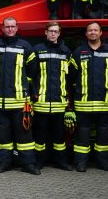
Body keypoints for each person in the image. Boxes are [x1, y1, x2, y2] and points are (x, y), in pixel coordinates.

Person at [0, 17, 38, 174]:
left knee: (25, 136)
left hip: (19, 101)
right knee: (3, 137)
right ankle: (4, 163)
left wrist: (23, 85)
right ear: (2, 29)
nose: (10, 29)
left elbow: (32, 71)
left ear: (17, 28)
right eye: (7, 27)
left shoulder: (25, 46)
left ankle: (28, 164)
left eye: (12, 27)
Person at [70, 22, 108, 172]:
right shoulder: (78, 52)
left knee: (103, 136)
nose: (92, 33)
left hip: (105, 102)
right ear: (86, 34)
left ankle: (103, 162)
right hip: (83, 103)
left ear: (100, 33)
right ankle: (81, 163)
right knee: (82, 135)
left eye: (95, 30)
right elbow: (72, 77)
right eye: (90, 30)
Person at [26, 22, 74, 171]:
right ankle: (39, 161)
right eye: (50, 31)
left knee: (59, 136)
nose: (53, 34)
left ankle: (60, 161)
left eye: (56, 31)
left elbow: (69, 77)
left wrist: (68, 101)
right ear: (45, 32)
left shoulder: (65, 51)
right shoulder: (37, 50)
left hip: (59, 102)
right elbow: (30, 76)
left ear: (59, 34)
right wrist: (33, 94)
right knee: (40, 135)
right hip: (41, 101)